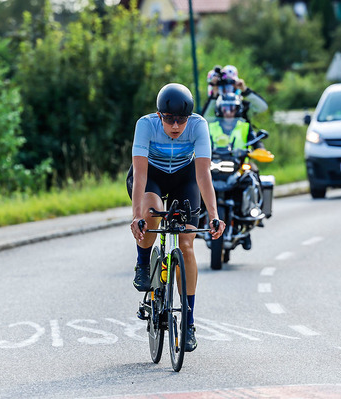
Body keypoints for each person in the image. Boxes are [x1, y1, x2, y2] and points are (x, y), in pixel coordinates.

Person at [127, 83, 226, 352]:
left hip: (185, 178)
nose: (176, 125)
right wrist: (137, 217)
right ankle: (143, 262)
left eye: (181, 119)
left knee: (187, 243)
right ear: (160, 116)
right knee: (151, 212)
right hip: (152, 177)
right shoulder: (145, 125)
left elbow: (204, 174)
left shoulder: (198, 125)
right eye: (169, 119)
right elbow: (140, 173)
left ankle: (189, 323)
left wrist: (214, 215)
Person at [208, 92, 266, 250]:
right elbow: (200, 142)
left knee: (253, 176)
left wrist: (259, 150)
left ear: (238, 109)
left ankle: (253, 215)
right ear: (219, 109)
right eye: (225, 108)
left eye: (232, 108)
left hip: (239, 167)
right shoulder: (210, 127)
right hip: (215, 165)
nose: (228, 112)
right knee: (196, 179)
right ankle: (196, 215)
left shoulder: (244, 126)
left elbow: (257, 143)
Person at [203, 64, 268, 122]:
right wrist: (214, 95)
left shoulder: (242, 106)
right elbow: (206, 119)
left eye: (230, 85)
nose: (227, 90)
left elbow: (262, 107)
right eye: (222, 86)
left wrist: (245, 90)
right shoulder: (214, 107)